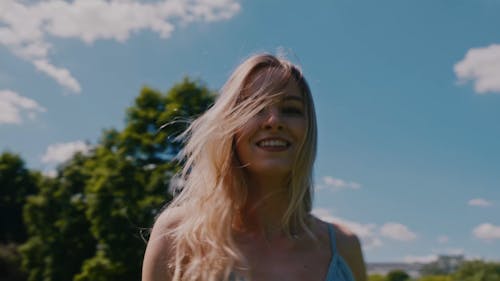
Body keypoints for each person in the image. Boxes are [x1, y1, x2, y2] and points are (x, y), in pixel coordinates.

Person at [142, 53, 367, 281]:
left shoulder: (344, 247)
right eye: (256, 106)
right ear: (230, 124)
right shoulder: (177, 234)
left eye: (291, 110)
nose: (274, 121)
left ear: (309, 129)